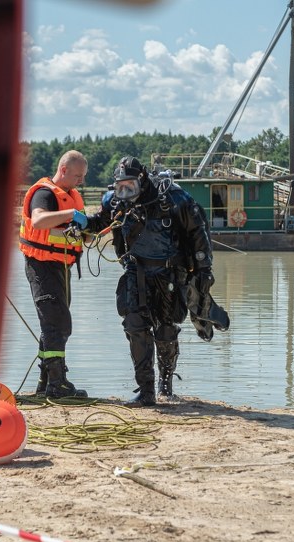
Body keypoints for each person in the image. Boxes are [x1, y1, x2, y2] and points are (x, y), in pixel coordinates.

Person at [82, 156, 221, 406]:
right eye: (120, 187)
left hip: (169, 273)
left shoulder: (175, 200)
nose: (125, 193)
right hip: (135, 271)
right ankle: (145, 391)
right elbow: (101, 221)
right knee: (134, 326)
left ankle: (165, 385)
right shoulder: (116, 202)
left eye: (130, 187)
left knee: (165, 330)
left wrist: (203, 272)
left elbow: (199, 234)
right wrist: (81, 222)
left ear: (142, 180)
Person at [18, 150, 90, 398]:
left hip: (61, 267)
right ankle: (56, 384)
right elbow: (38, 221)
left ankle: (46, 382)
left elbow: (75, 234)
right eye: (78, 175)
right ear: (63, 170)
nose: (81, 181)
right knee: (56, 323)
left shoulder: (71, 196)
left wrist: (90, 227)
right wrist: (71, 215)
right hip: (41, 266)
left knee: (56, 324)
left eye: (83, 176)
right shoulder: (45, 194)